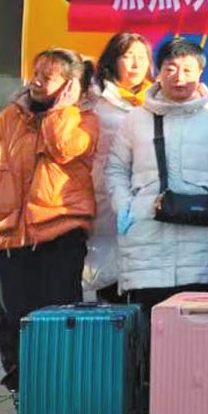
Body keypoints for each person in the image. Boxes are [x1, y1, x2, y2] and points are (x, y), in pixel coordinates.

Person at [0, 49, 97, 398]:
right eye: (36, 72)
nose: (36, 81)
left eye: (48, 76)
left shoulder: (84, 119)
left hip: (59, 231)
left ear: (69, 84)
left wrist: (60, 111)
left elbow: (64, 149)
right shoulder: (10, 115)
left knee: (59, 317)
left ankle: (60, 390)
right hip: (5, 233)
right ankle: (22, 390)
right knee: (10, 319)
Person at [106, 38, 208, 314]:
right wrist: (125, 207)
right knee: (149, 322)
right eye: (170, 69)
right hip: (146, 237)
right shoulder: (135, 118)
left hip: (200, 237)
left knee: (195, 326)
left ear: (200, 73)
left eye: (188, 70)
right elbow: (116, 168)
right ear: (158, 72)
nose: (179, 78)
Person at [85, 32, 153, 303]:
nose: (136, 64)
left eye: (142, 57)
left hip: (146, 200)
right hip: (106, 201)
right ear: (113, 60)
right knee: (110, 282)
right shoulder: (94, 100)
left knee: (146, 286)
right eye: (128, 56)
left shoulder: (156, 99)